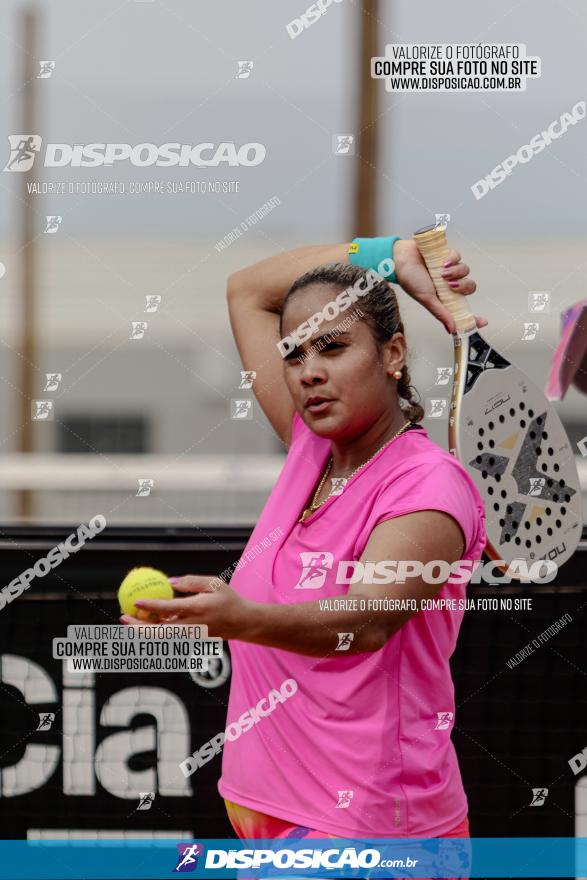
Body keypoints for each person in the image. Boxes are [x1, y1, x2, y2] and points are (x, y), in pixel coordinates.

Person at [121, 237, 487, 860]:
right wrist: (389, 254)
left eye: (333, 347)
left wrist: (242, 620)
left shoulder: (426, 485)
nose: (308, 370)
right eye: (293, 354)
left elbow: (366, 622)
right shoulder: (309, 450)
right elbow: (247, 288)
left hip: (370, 835)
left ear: (392, 353)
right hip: (269, 825)